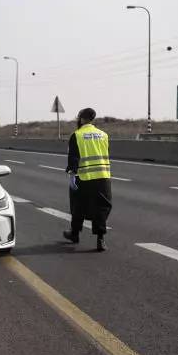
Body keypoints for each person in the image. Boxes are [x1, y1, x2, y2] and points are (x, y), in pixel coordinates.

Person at [63, 107, 112, 252]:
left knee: (78, 207)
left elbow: (73, 158)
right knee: (101, 208)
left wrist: (72, 174)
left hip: (83, 177)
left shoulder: (77, 135)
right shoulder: (103, 135)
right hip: (102, 177)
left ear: (82, 119)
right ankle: (101, 239)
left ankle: (75, 234)